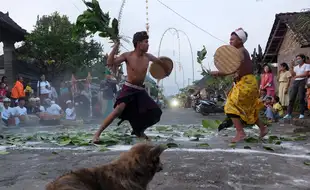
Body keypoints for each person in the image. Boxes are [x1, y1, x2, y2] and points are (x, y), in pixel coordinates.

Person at [92, 31, 170, 143]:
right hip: (128, 88)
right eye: (146, 42)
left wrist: (166, 71)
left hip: (140, 91)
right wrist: (115, 47)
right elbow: (110, 63)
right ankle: (97, 134)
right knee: (118, 110)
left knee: (155, 112)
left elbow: (160, 62)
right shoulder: (127, 56)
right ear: (138, 43)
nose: (148, 44)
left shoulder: (148, 57)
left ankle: (139, 131)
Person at [209, 28, 268, 143]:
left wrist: (218, 73)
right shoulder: (240, 51)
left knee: (230, 105)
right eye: (230, 39)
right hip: (248, 83)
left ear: (240, 40)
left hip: (247, 83)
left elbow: (233, 67)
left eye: (232, 39)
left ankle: (240, 133)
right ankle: (263, 128)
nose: (230, 41)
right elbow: (236, 69)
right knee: (248, 109)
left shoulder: (240, 51)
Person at [283, 54, 310, 119]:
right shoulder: (296, 67)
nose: (298, 60)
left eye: (299, 58)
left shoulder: (307, 65)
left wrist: (298, 76)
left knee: (301, 97)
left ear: (303, 59)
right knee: (292, 98)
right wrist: (291, 66)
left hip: (303, 81)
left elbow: (306, 74)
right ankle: (289, 114)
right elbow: (293, 75)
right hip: (296, 82)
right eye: (297, 59)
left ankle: (301, 113)